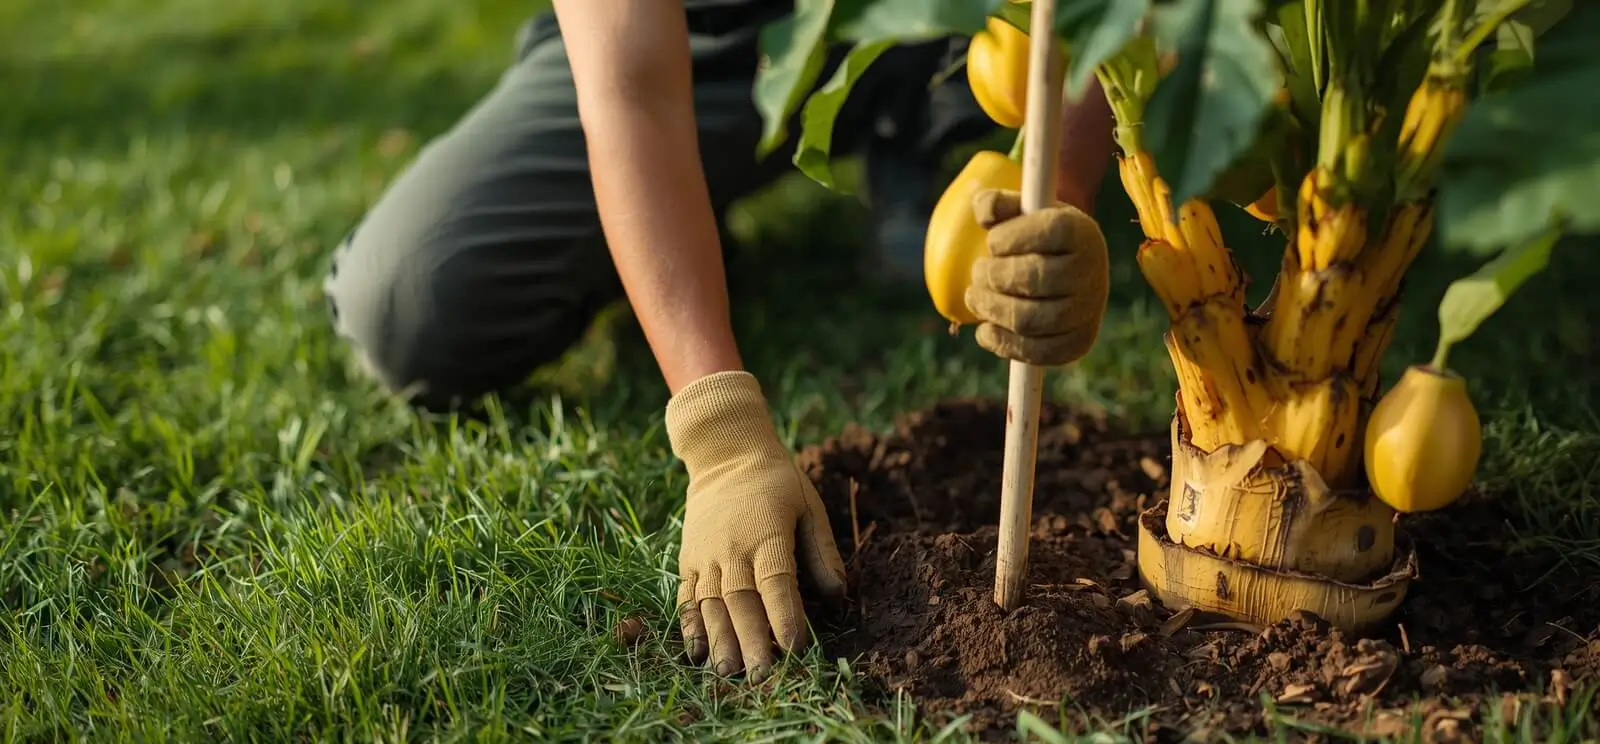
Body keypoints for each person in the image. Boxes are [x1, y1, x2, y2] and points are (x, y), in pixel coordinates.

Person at [322, 1, 1118, 681]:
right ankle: (689, 211)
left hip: (966, 26)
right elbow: (631, 90)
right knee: (413, 304)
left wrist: (1057, 197)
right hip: (701, 46)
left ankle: (913, 129)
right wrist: (722, 436)